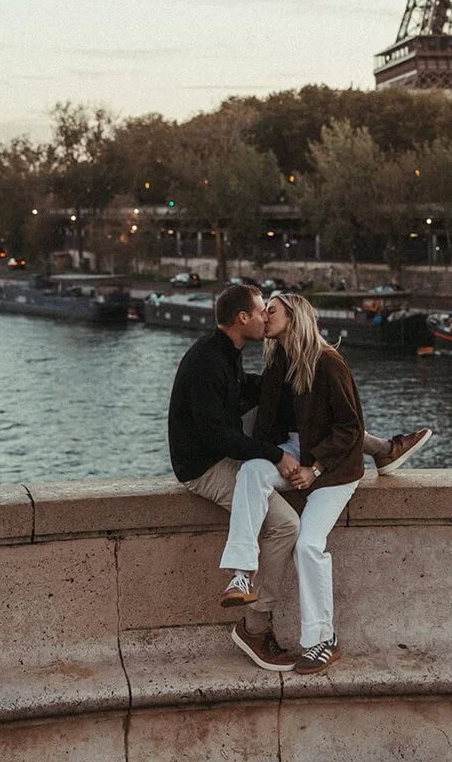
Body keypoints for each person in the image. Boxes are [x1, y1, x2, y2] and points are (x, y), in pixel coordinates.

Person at [219, 292, 366, 676]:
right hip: (296, 452)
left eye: (271, 311)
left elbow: (351, 429)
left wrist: (314, 468)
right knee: (251, 471)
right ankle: (240, 571)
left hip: (334, 470)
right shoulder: (278, 362)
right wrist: (263, 454)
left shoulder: (328, 362)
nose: (264, 316)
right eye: (263, 310)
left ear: (293, 316)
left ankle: (323, 640)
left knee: (308, 545)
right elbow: (266, 426)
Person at [167, 281, 301, 671]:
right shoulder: (207, 362)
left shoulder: (225, 353)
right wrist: (275, 455)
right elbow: (218, 436)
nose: (265, 318)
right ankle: (254, 628)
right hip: (204, 467)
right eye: (261, 311)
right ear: (242, 318)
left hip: (219, 454)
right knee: (285, 526)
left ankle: (375, 445)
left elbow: (243, 390)